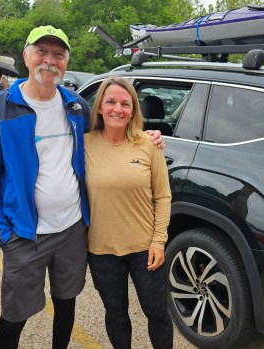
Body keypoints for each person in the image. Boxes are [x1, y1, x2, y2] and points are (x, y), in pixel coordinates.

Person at [0, 25, 164, 349]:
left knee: (66, 303)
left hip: (73, 231)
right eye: (42, 51)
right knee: (14, 315)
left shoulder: (75, 107)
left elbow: (110, 134)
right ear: (26, 56)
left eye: (58, 54)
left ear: (65, 62)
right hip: (23, 232)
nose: (50, 60)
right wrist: (2, 234)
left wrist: (148, 136)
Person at [85, 76, 173, 349]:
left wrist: (159, 241)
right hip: (101, 251)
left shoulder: (148, 145)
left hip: (144, 248)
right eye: (110, 101)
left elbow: (163, 195)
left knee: (156, 311)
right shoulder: (83, 144)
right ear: (99, 106)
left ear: (133, 110)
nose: (117, 109)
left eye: (125, 104)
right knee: (116, 313)